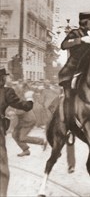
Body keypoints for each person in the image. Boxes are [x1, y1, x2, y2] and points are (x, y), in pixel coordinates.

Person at [0, 68, 34, 197]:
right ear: (2, 78)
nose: (8, 78)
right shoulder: (6, 92)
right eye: (6, 76)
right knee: (2, 166)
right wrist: (30, 98)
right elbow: (25, 106)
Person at [58, 12, 90, 127]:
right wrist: (80, 40)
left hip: (84, 72)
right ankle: (69, 123)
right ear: (85, 22)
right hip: (70, 72)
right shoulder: (75, 33)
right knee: (69, 97)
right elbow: (63, 45)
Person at [12, 83, 47, 157]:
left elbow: (23, 109)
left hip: (28, 120)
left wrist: (13, 112)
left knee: (22, 137)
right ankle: (25, 150)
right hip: (21, 121)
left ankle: (42, 141)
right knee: (14, 135)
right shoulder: (14, 97)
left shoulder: (23, 97)